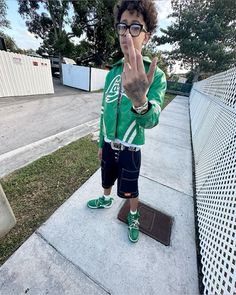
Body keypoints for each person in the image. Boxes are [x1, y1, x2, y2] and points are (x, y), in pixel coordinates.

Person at [87, 0, 167, 243]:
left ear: (147, 36)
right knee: (106, 177)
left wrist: (140, 101)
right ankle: (105, 198)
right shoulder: (112, 72)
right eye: (123, 26)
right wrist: (102, 142)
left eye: (135, 27)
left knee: (131, 188)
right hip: (110, 143)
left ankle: (133, 214)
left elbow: (152, 120)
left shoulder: (156, 76)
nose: (126, 34)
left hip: (131, 148)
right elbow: (104, 111)